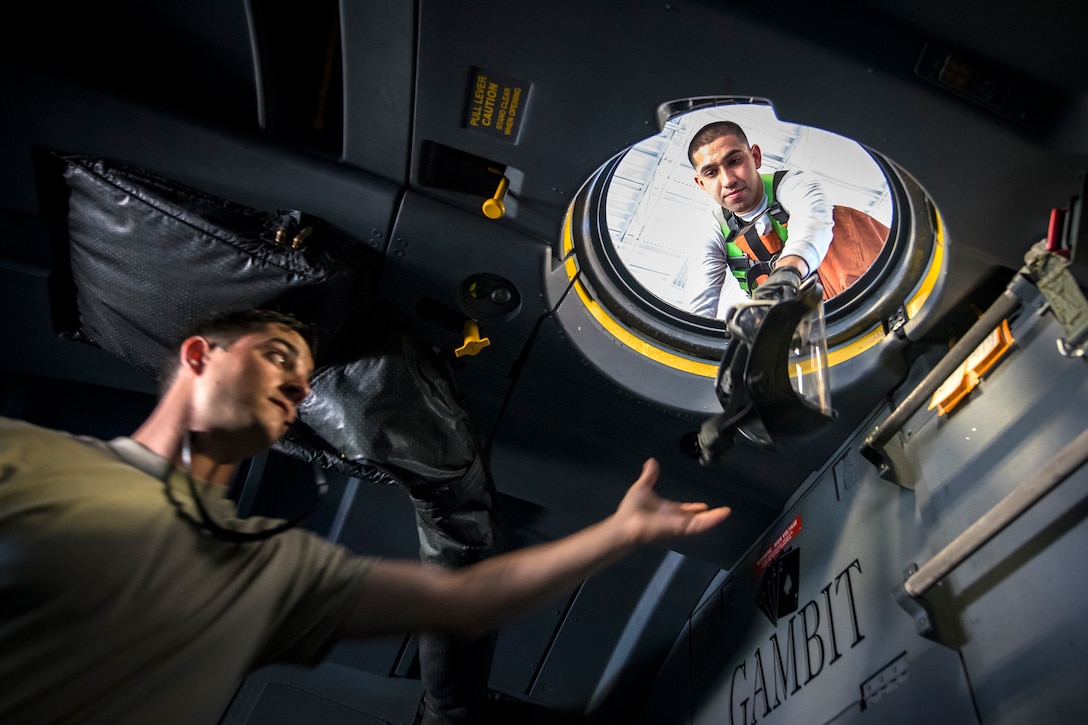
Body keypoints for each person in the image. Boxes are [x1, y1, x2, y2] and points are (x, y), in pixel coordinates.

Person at [0, 308, 731, 724]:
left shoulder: (264, 566)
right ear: (200, 355)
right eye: (278, 355)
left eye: (302, 381)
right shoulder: (32, 458)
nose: (294, 385)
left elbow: (463, 602)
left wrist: (621, 532)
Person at [685, 121, 888, 319]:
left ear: (755, 157)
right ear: (701, 183)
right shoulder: (713, 231)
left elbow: (812, 219)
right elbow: (698, 310)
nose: (728, 180)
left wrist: (786, 272)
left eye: (735, 161)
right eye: (711, 173)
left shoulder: (794, 185)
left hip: (871, 294)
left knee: (836, 219)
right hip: (803, 327)